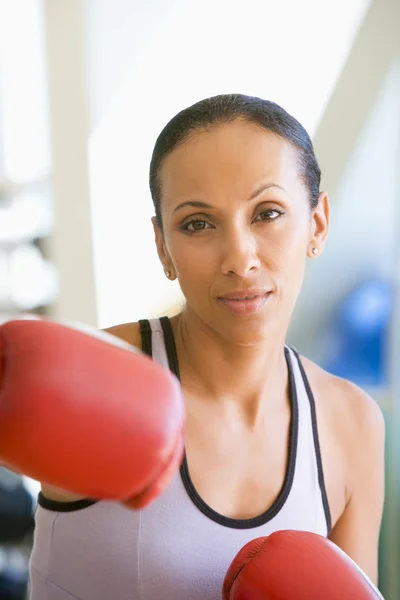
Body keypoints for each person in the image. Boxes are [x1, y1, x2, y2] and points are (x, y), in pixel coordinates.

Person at [27, 94, 384, 599]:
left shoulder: (352, 426)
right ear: (162, 247)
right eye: (197, 223)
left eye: (267, 213)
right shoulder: (103, 372)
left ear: (317, 224)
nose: (240, 259)